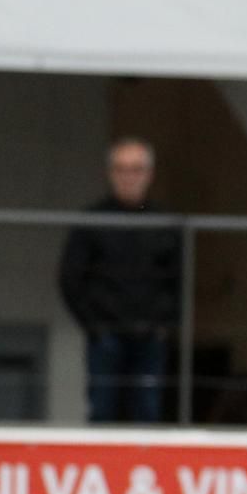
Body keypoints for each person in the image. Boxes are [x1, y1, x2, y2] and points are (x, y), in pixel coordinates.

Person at [58, 137, 181, 424]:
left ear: (149, 174)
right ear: (111, 173)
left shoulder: (164, 222)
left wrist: (165, 324)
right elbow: (70, 278)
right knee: (102, 410)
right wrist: (94, 326)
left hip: (150, 336)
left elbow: (179, 279)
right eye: (122, 169)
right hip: (106, 335)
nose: (129, 177)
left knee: (147, 412)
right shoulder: (92, 221)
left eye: (136, 169)